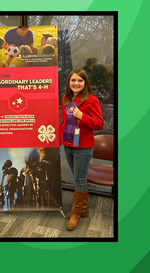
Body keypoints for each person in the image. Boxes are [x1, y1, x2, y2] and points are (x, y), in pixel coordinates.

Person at [59, 69, 104, 230]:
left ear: (85, 83)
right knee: (78, 176)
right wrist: (59, 138)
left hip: (83, 147)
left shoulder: (92, 100)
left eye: (80, 80)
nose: (76, 83)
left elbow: (99, 123)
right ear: (69, 82)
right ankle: (84, 208)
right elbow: (64, 122)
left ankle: (76, 212)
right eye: (73, 80)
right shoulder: (66, 98)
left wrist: (80, 115)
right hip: (68, 144)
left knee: (79, 179)